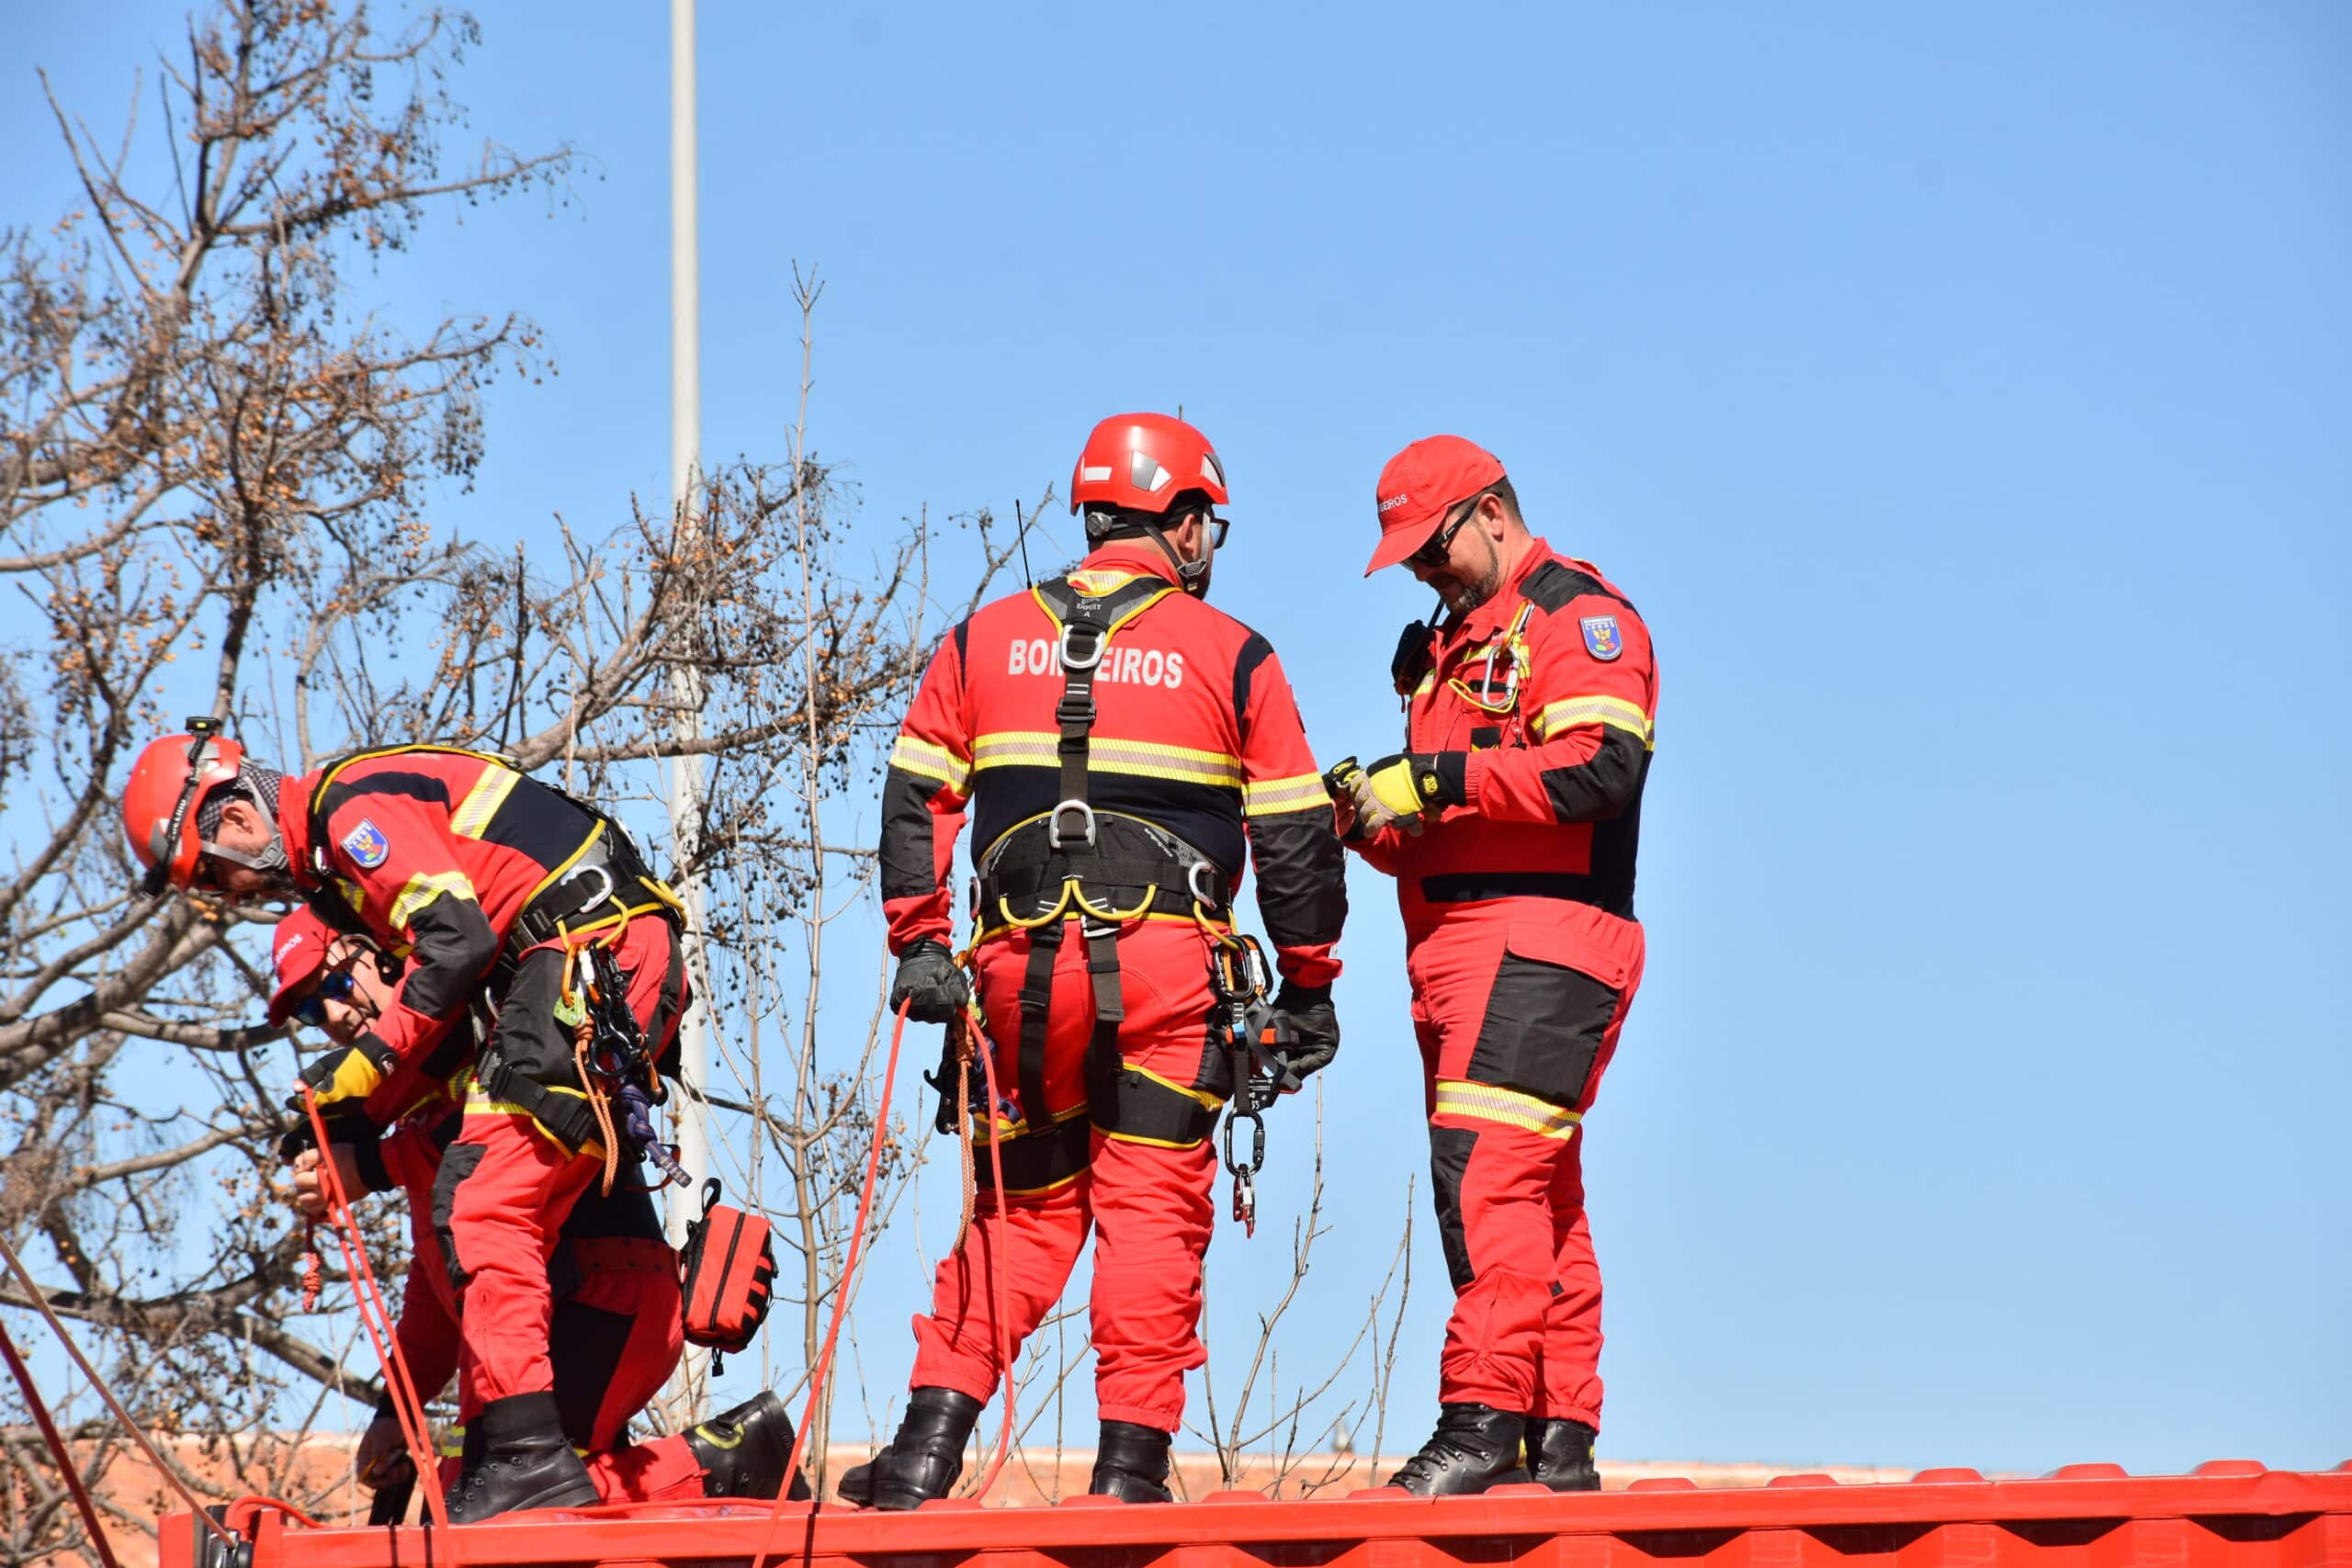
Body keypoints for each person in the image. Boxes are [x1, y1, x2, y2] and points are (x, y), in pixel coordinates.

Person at [848, 412, 1348, 1507]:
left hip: (1015, 976)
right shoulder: (1234, 654)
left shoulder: (981, 639)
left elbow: (911, 797)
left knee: (1015, 1215)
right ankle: (1127, 1475)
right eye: (1206, 521)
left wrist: (922, 944)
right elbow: (1299, 839)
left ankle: (923, 1454)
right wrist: (1309, 989)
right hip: (1169, 972)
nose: (1211, 543)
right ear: (1174, 519)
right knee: (1152, 1213)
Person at [123, 733, 694, 1518]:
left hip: (585, 952)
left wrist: (360, 1079)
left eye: (216, 872)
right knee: (479, 1209)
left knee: (481, 1202)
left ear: (232, 814)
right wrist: (342, 1116)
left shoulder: (347, 811)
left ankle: (541, 1458)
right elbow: (451, 1027)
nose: (235, 893)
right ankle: (523, 1458)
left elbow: (457, 944)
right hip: (589, 959)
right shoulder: (337, 861)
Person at [1336, 435, 1657, 1496]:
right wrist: (1366, 813)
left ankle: (1480, 1421)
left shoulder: (1574, 616)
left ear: (1490, 513)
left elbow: (1599, 770)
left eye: (1431, 550)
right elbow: (1449, 824)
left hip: (1545, 942)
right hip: (1459, 956)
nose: (1423, 574)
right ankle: (1556, 1437)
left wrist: (1426, 776)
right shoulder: (1449, 645)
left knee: (1486, 1179)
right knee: (1538, 1192)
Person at [268, 910, 807, 1507]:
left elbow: (491, 1152)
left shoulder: (486, 1016)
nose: (336, 1015)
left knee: (512, 1505)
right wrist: (398, 1405)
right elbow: (441, 1270)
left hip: (601, 1294)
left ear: (382, 951)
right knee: (489, 1501)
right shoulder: (414, 1089)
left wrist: (369, 1166)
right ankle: (712, 1468)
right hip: (547, 1320)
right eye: (313, 1010)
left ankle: (726, 1462)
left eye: (337, 985)